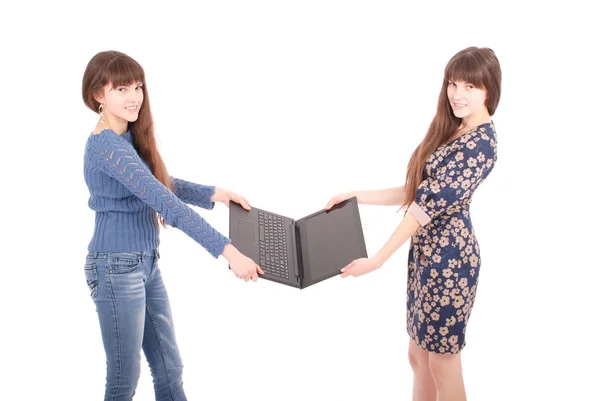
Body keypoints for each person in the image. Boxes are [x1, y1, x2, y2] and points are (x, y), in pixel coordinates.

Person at [81, 50, 263, 401]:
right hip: (116, 268)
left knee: (169, 368)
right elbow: (163, 201)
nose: (134, 97)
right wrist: (228, 251)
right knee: (124, 380)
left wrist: (214, 194)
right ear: (98, 95)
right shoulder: (106, 146)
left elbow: (155, 182)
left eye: (137, 86)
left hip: (144, 263)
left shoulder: (125, 137)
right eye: (121, 89)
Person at [325, 46, 501, 401]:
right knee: (417, 355)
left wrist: (377, 259)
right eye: (454, 84)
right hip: (426, 257)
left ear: (489, 90)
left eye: (470, 86)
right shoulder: (453, 129)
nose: (457, 94)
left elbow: (423, 207)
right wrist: (355, 197)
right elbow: (416, 189)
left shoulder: (481, 143)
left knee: (443, 363)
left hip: (451, 262)